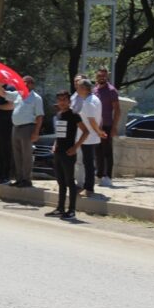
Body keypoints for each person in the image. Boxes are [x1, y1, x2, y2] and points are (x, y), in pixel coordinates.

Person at [45, 91, 89, 219]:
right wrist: (54, 144)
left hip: (69, 153)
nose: (62, 102)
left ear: (69, 101)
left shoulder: (74, 115)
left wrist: (75, 147)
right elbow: (59, 134)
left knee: (70, 181)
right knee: (60, 182)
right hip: (58, 152)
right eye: (60, 99)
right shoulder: (58, 114)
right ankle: (60, 208)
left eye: (64, 99)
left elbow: (86, 132)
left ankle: (71, 210)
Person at [0, 76, 44, 188]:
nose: (22, 84)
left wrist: (36, 132)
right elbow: (3, 94)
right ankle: (19, 178)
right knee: (17, 155)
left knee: (26, 155)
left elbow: (39, 116)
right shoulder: (17, 94)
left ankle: (26, 179)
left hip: (28, 127)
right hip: (16, 127)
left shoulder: (36, 98)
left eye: (25, 82)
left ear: (31, 84)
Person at [76, 79, 107, 196]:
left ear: (84, 89)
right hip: (90, 136)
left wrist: (99, 132)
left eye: (79, 87)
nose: (77, 89)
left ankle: (89, 189)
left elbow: (92, 121)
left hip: (88, 137)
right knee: (88, 163)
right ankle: (87, 187)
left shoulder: (89, 102)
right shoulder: (94, 99)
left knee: (88, 164)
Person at [93, 67, 121, 187]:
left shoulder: (111, 90)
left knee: (107, 152)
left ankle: (108, 176)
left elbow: (117, 110)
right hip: (95, 126)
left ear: (107, 76)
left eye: (104, 76)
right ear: (96, 76)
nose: (102, 78)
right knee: (97, 151)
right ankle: (99, 175)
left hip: (107, 125)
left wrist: (114, 127)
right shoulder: (94, 90)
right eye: (99, 75)